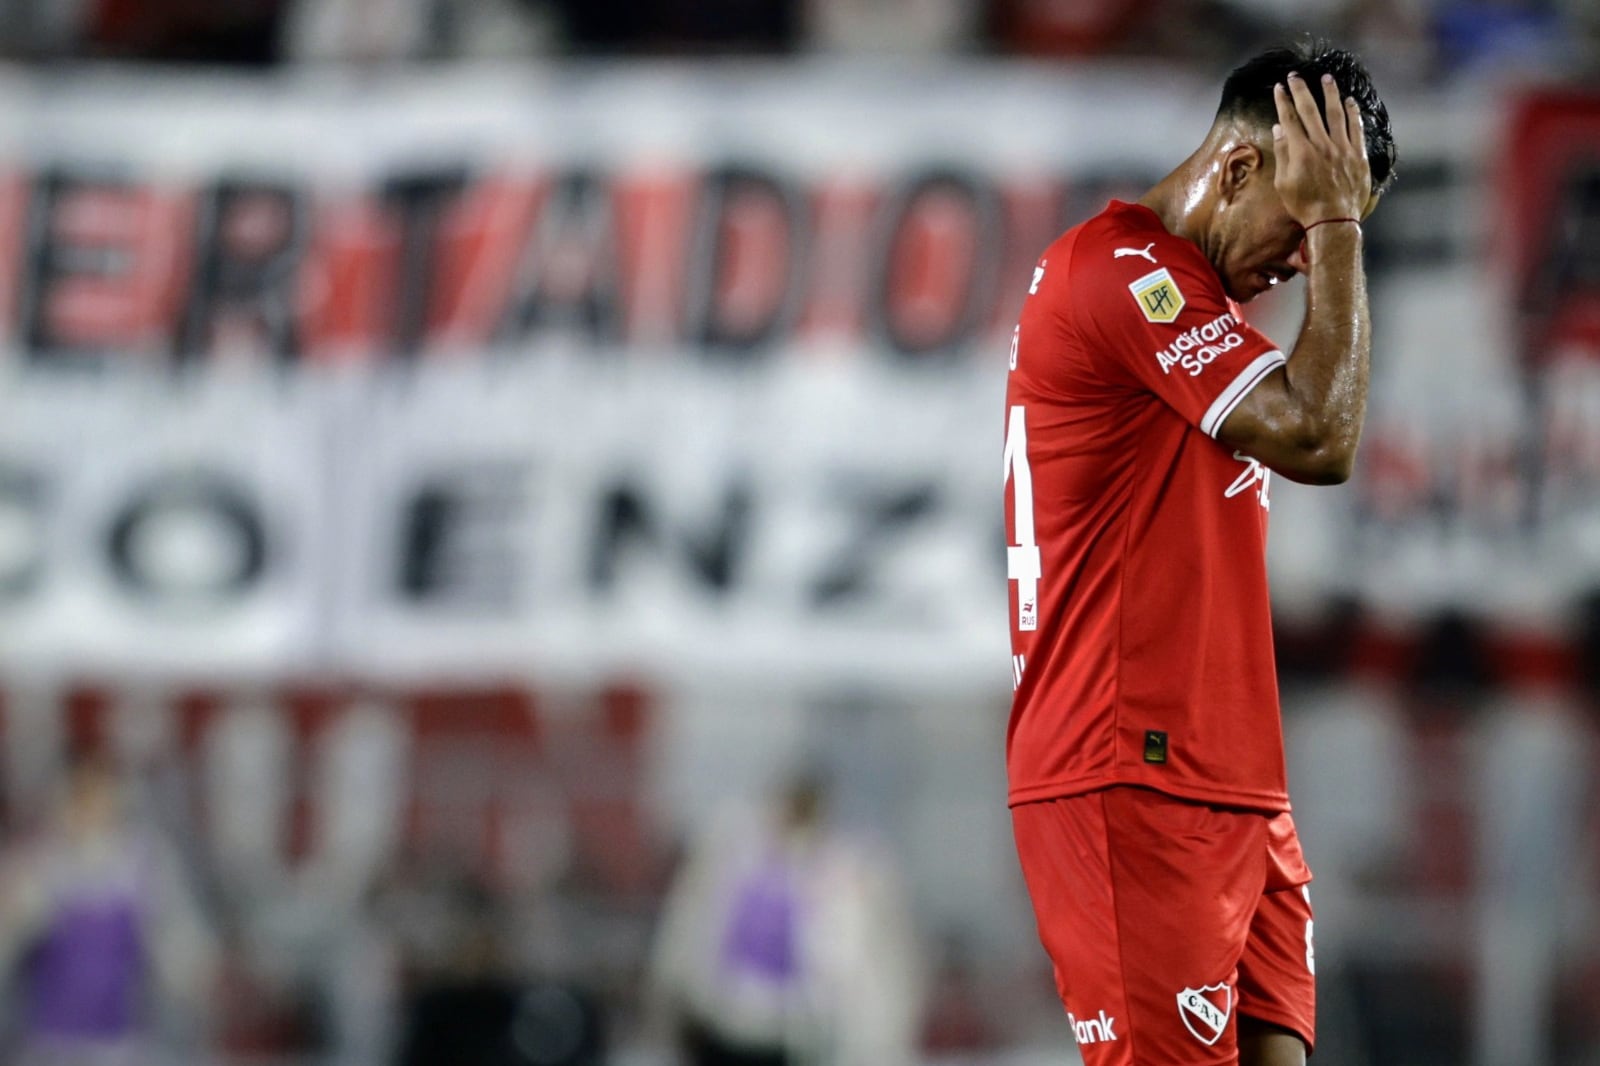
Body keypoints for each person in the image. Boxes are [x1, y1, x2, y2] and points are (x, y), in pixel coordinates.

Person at [1000, 41, 1397, 1066]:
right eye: (1299, 224)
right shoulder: (1119, 270)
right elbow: (1319, 437)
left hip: (1233, 779)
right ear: (1237, 168)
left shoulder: (1204, 312)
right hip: (1125, 769)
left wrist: (1326, 220)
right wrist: (1340, 230)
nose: (1304, 261)